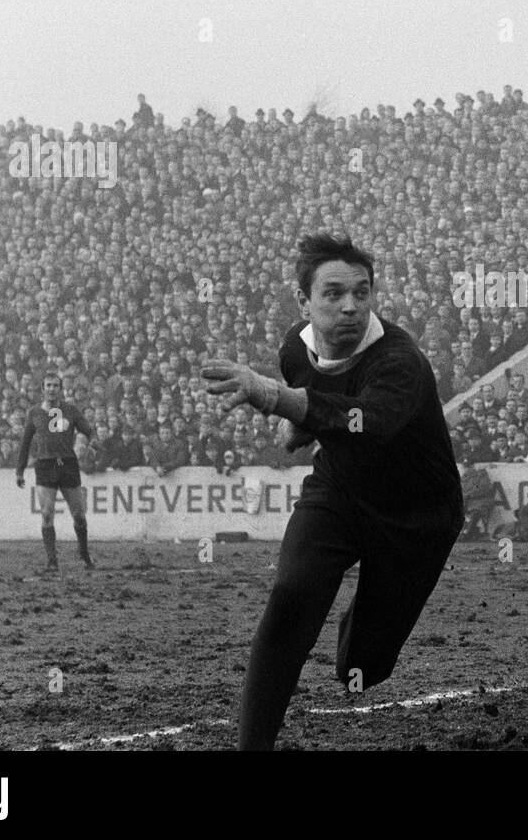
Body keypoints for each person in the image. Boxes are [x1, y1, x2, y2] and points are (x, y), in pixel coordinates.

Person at [201, 233, 463, 751]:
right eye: (335, 294)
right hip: (339, 492)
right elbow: (323, 407)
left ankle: (361, 630)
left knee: (362, 670)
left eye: (362, 293)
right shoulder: (294, 350)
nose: (351, 306)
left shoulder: (400, 361)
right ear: (304, 301)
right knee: (291, 597)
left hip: (416, 515)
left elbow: (367, 421)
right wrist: (299, 428)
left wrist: (277, 399)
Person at [15, 373, 99, 572]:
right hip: (45, 466)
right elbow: (25, 442)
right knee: (46, 513)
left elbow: (88, 430)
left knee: (79, 515)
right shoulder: (34, 412)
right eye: (48, 385)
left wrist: (93, 441)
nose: (51, 389)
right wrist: (19, 470)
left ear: (60, 388)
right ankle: (52, 561)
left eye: (55, 385)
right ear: (43, 389)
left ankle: (84, 552)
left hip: (68, 465)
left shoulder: (70, 410)